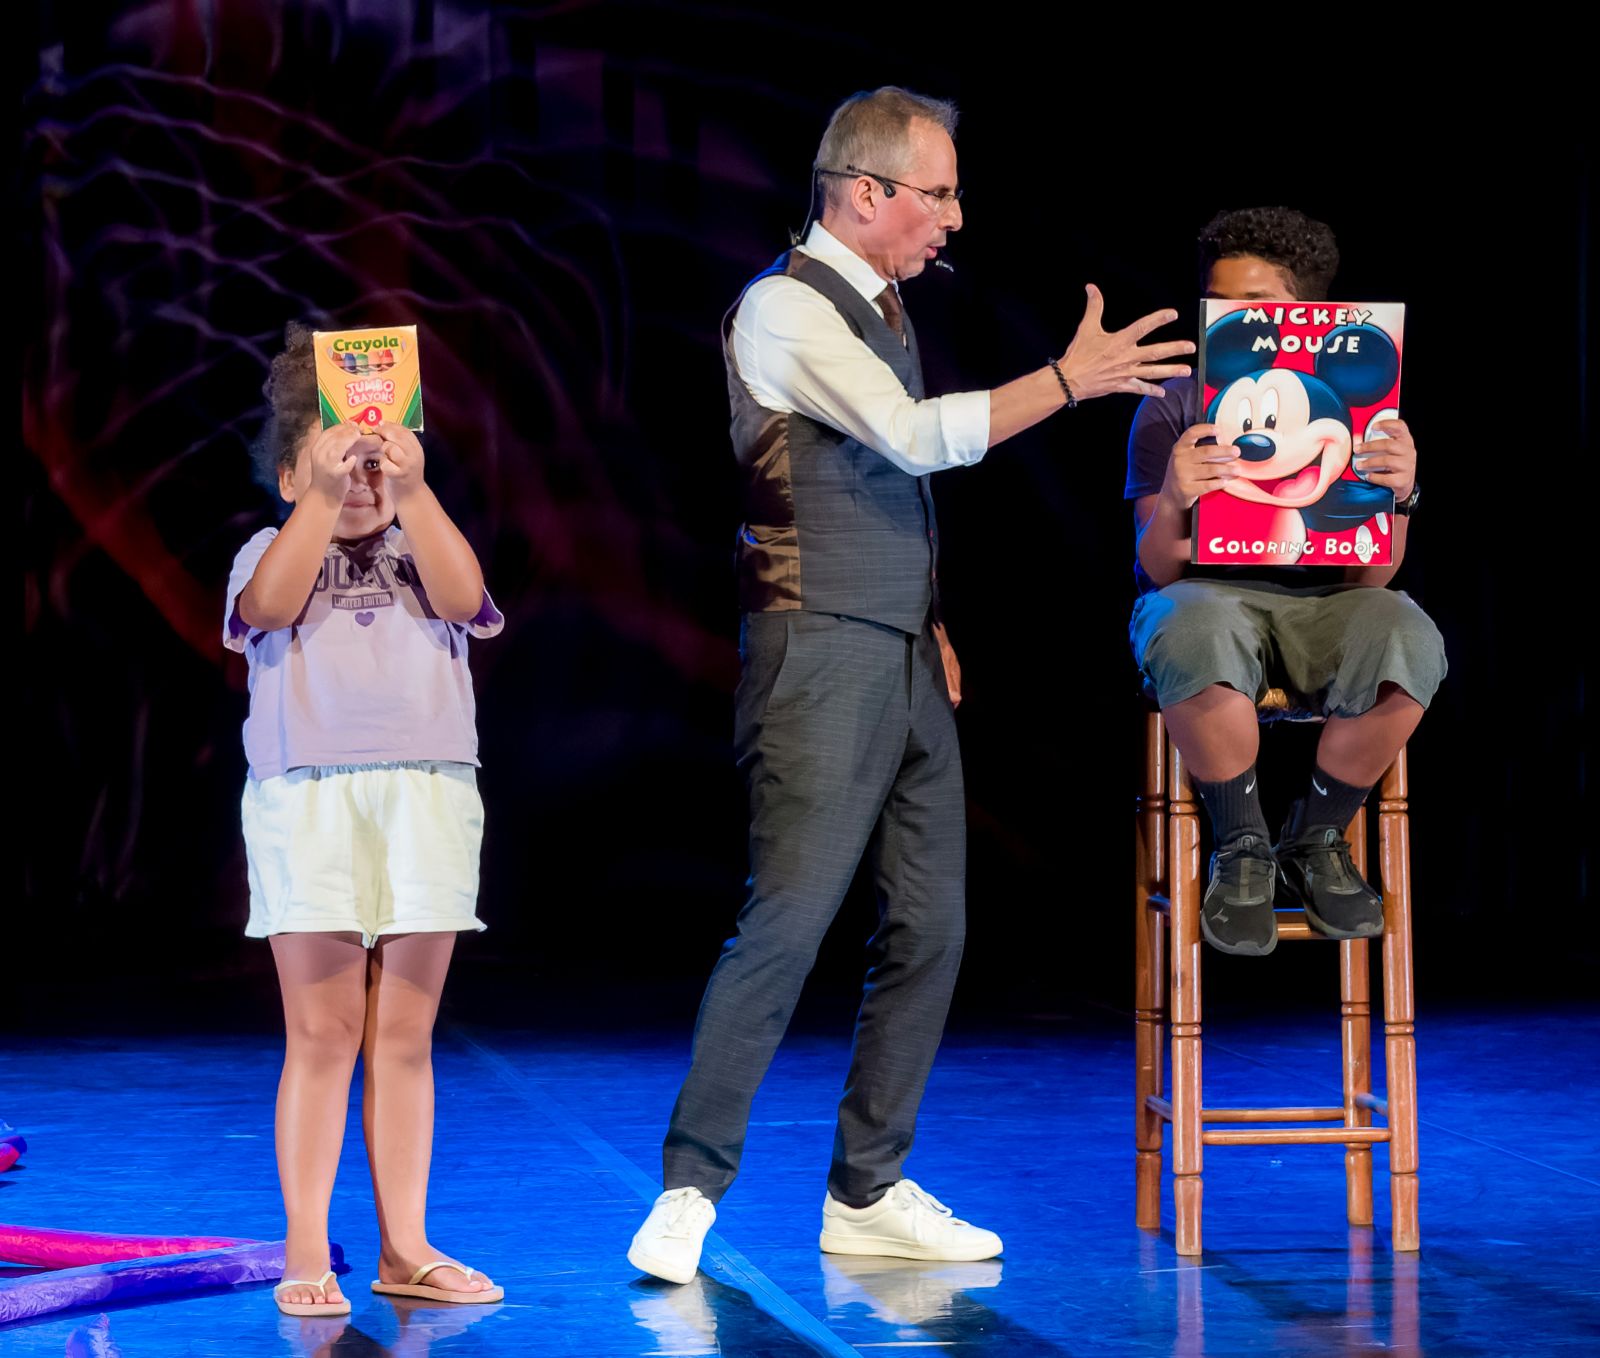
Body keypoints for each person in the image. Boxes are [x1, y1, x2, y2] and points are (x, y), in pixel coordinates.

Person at [628, 86, 1193, 1285]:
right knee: (785, 919)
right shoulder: (786, 304)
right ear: (866, 192)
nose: (952, 218)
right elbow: (913, 436)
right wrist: (1067, 380)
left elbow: (885, 486)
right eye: (935, 194)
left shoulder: (885, 301)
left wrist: (923, 616)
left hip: (893, 644)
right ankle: (689, 1185)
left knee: (932, 923)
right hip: (818, 647)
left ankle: (868, 1189)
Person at [226, 323, 506, 1316]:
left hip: (427, 792)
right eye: (338, 452)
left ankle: (406, 1244)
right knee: (322, 1029)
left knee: (402, 1034)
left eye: (377, 450)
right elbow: (270, 604)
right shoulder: (268, 544)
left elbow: (468, 595)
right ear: (289, 465)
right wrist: (319, 490)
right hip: (309, 799)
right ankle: (307, 1250)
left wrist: (415, 488)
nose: (362, 471)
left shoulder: (420, 538)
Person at [1126, 206, 1447, 956]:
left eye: (1258, 308)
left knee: (1408, 634)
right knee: (1189, 622)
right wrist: (1175, 496)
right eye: (1223, 306)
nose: (1238, 322)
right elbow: (1156, 566)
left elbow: (1376, 572)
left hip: (1328, 604)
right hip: (1206, 595)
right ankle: (1241, 848)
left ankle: (1315, 838)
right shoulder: (1174, 404)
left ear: (1308, 315)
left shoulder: (1366, 411)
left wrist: (1400, 497)